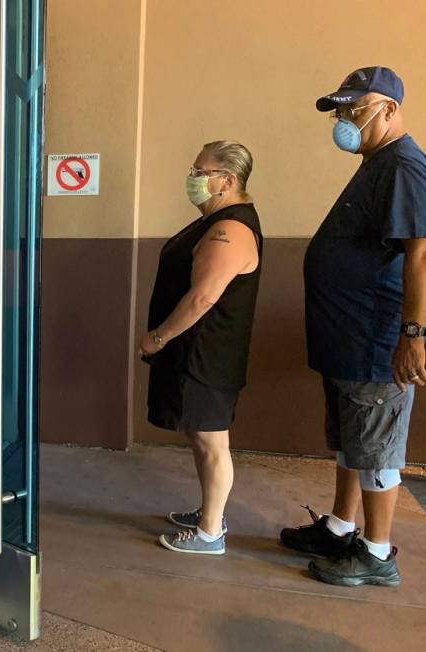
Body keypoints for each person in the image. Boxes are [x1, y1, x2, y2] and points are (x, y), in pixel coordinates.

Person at [281, 67, 426, 587]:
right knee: (352, 442)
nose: (346, 120)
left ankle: (375, 553)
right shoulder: (378, 162)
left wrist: (412, 335)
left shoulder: (405, 166)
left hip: (376, 341)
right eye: (342, 110)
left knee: (375, 449)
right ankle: (340, 526)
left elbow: (425, 250)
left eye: (356, 108)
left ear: (389, 109)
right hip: (347, 340)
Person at [140, 140, 263, 556]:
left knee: (212, 444)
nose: (192, 179)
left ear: (226, 180)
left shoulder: (231, 229)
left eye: (200, 172)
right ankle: (209, 510)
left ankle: (210, 533)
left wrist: (158, 337)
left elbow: (203, 298)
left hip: (207, 357)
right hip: (194, 354)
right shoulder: (216, 223)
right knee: (199, 437)